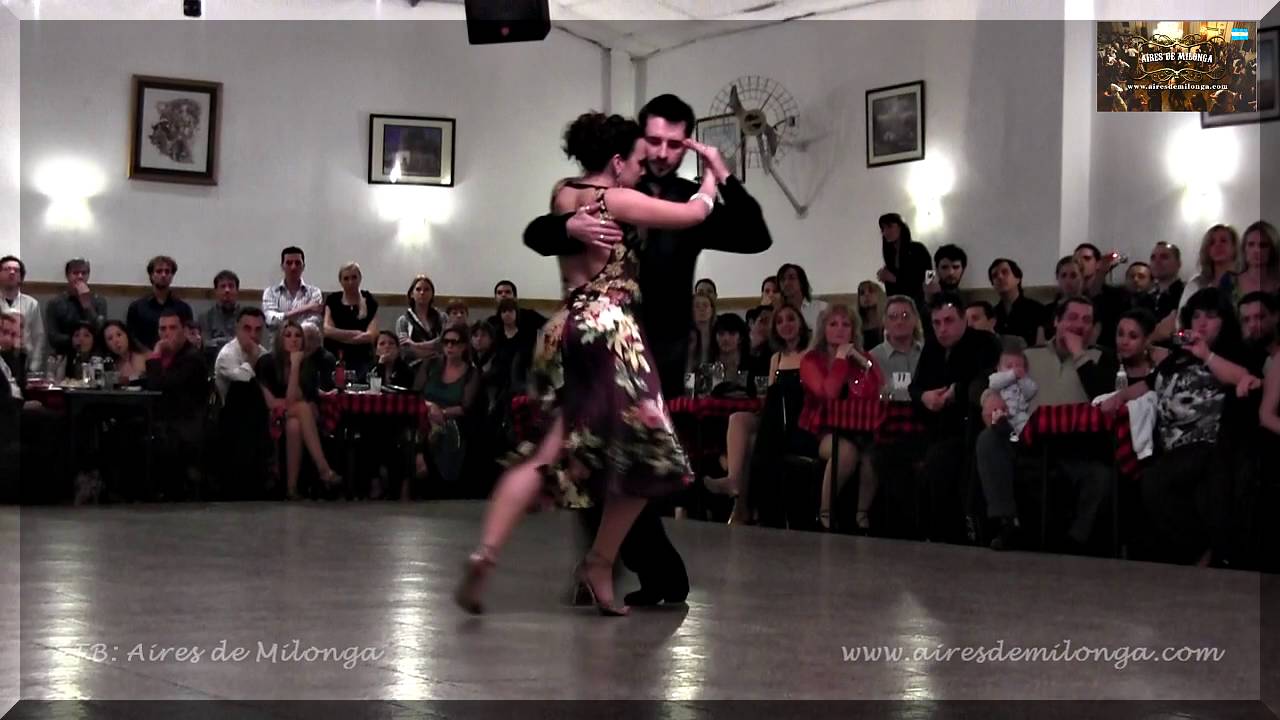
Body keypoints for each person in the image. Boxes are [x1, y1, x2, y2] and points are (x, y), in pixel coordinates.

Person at [456, 111, 729, 616]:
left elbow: (550, 231)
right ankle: (600, 561)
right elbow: (694, 214)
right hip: (611, 334)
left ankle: (487, 550)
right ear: (618, 160)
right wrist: (713, 172)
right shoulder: (616, 199)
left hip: (566, 328)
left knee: (547, 452)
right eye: (639, 162)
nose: (643, 172)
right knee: (649, 459)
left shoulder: (563, 193)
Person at [522, 94, 772, 608]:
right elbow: (536, 233)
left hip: (659, 350)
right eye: (652, 140)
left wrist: (721, 172)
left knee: (636, 469)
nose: (661, 152)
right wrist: (567, 227)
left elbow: (755, 235)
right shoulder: (610, 188)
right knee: (597, 466)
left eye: (674, 143)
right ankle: (625, 569)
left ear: (687, 144)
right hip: (600, 345)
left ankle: (627, 569)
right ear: (637, 140)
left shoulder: (686, 198)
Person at [0, 255, 45, 373]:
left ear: (21, 276)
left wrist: (34, 367)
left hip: (24, 361)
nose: (12, 273)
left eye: (16, 270)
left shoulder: (31, 304)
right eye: (7, 269)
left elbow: (38, 337)